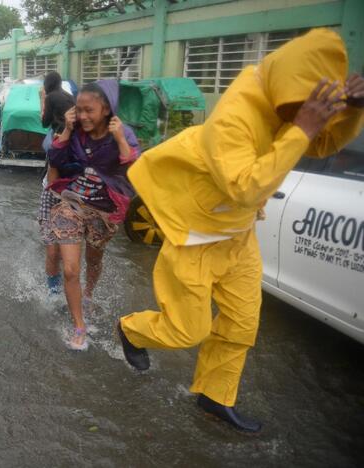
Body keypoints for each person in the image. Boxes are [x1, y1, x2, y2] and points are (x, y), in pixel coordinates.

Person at [116, 29, 364, 433]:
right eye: (306, 111)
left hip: (237, 233)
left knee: (242, 322)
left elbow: (320, 145)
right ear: (289, 93)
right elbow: (246, 187)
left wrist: (351, 110)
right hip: (195, 234)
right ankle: (131, 330)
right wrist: (301, 127)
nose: (309, 120)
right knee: (187, 329)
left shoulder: (287, 100)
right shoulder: (234, 117)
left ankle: (215, 397)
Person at [47, 80, 140, 350]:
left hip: (106, 209)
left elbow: (135, 169)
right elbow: (55, 159)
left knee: (94, 260)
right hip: (72, 203)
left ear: (107, 109)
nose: (83, 116)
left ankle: (88, 294)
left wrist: (121, 138)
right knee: (71, 268)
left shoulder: (123, 133)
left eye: (90, 110)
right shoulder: (75, 131)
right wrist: (66, 128)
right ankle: (79, 325)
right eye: (79, 110)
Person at [39, 71, 76, 294]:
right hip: (56, 191)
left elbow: (44, 122)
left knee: (59, 251)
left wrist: (43, 101)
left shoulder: (52, 97)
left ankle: (56, 289)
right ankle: (54, 289)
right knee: (54, 250)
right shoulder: (64, 95)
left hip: (65, 194)